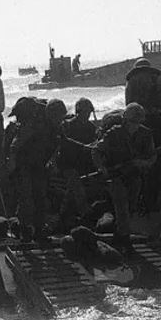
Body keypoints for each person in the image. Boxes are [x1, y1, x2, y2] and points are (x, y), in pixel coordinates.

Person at [92, 103, 156, 254]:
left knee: (131, 207)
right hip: (115, 176)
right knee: (121, 206)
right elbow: (96, 151)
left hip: (134, 176)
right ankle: (125, 240)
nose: (135, 125)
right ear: (125, 121)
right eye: (133, 122)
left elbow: (152, 157)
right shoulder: (114, 133)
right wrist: (101, 168)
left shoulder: (145, 134)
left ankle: (119, 234)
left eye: (138, 122)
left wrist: (142, 163)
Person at [8, 98, 65, 242]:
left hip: (39, 165)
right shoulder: (34, 124)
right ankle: (24, 230)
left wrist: (52, 162)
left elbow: (58, 145)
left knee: (40, 198)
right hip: (24, 164)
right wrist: (12, 163)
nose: (59, 120)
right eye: (57, 117)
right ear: (50, 114)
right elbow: (16, 144)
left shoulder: (56, 127)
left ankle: (39, 230)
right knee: (26, 197)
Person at [56, 97, 97, 229]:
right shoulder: (68, 126)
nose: (87, 115)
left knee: (74, 190)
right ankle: (86, 214)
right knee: (76, 186)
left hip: (83, 164)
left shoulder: (91, 127)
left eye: (88, 112)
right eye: (84, 112)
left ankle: (64, 216)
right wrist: (83, 147)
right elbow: (64, 143)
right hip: (67, 164)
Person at [124, 57, 161, 128]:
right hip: (155, 116)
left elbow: (128, 101)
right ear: (149, 66)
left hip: (137, 119)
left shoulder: (131, 79)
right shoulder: (159, 77)